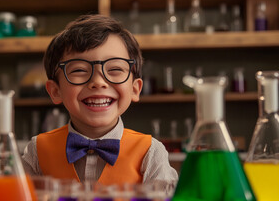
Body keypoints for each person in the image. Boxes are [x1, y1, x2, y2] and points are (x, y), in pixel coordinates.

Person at [22, 14, 178, 185]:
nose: (98, 82)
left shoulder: (151, 153)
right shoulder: (36, 151)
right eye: (79, 70)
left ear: (135, 89)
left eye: (115, 69)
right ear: (55, 91)